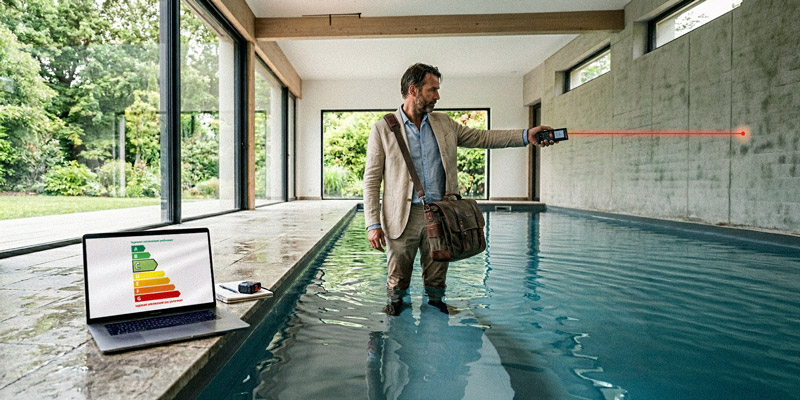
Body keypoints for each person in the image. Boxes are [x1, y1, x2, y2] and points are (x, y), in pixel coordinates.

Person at [363, 63, 555, 316]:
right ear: (413, 90)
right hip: (401, 216)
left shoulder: (445, 124)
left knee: (437, 272)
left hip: (441, 213)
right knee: (397, 276)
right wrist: (372, 224)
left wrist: (525, 135)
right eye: (432, 90)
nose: (437, 96)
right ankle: (396, 308)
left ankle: (436, 305)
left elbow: (483, 138)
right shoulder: (383, 128)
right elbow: (371, 178)